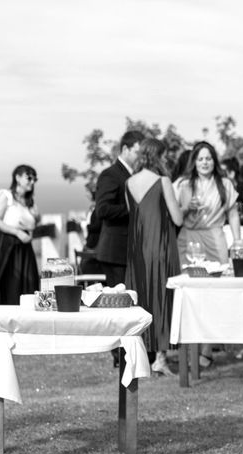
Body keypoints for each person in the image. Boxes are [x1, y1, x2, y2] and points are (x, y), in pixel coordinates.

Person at [124, 138, 183, 375]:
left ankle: (140, 356)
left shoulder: (128, 182)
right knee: (162, 295)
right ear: (158, 156)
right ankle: (160, 357)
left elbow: (133, 214)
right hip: (161, 245)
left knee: (141, 296)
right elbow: (177, 218)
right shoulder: (163, 181)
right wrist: (187, 208)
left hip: (137, 247)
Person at [0, 165, 41, 345]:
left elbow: (34, 222)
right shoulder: (6, 195)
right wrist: (17, 232)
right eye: (29, 177)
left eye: (34, 179)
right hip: (6, 246)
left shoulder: (30, 201)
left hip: (24, 248)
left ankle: (22, 329)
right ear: (18, 177)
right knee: (1, 285)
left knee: (27, 285)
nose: (32, 181)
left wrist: (30, 221)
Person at [175, 141, 241, 266]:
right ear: (194, 162)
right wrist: (187, 208)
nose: (204, 162)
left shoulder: (225, 184)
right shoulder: (183, 185)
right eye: (200, 159)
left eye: (208, 159)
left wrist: (237, 241)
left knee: (218, 279)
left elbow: (233, 214)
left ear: (214, 161)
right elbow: (175, 215)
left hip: (215, 238)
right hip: (189, 239)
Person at [94, 130, 144, 286]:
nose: (141, 158)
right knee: (119, 304)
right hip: (115, 252)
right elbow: (102, 209)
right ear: (125, 150)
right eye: (138, 152)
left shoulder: (135, 175)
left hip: (129, 252)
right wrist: (133, 209)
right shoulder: (110, 175)